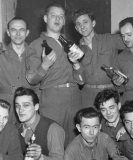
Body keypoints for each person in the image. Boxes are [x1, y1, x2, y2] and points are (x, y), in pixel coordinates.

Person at [71, 9, 133, 109]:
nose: (82, 26)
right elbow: (81, 81)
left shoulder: (109, 39)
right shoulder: (76, 50)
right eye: (78, 24)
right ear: (76, 28)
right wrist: (75, 63)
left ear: (93, 23)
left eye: (85, 22)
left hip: (110, 94)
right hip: (88, 96)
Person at [26, 3, 82, 146]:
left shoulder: (71, 44)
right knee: (53, 143)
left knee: (75, 144)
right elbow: (31, 79)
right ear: (45, 18)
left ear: (64, 21)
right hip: (53, 100)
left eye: (61, 16)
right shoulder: (36, 45)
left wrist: (77, 65)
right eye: (53, 15)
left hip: (75, 97)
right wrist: (44, 64)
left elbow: (82, 77)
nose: (57, 19)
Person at [0, 17, 39, 124]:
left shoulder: (35, 54)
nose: (17, 33)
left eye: (21, 30)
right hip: (5, 104)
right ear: (8, 32)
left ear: (27, 33)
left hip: (28, 105)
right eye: (13, 30)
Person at [14, 87, 65, 160]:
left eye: (26, 105)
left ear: (36, 107)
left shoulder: (53, 129)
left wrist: (41, 157)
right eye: (17, 106)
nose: (20, 110)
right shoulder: (16, 127)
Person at [64, 107, 128, 160]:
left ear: (100, 127)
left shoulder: (105, 138)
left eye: (95, 127)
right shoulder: (71, 151)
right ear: (79, 128)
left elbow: (119, 157)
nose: (91, 132)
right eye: (86, 127)